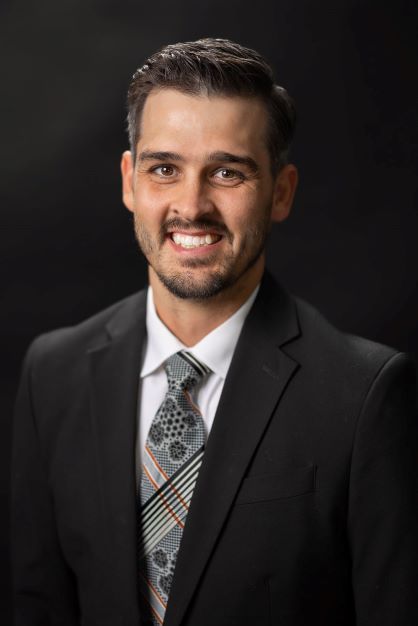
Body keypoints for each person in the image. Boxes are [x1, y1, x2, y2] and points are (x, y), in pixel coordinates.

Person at [11, 38, 418, 626]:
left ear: (281, 192)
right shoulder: (53, 373)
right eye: (164, 169)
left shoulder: (366, 396)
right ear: (130, 182)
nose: (191, 205)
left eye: (227, 172)